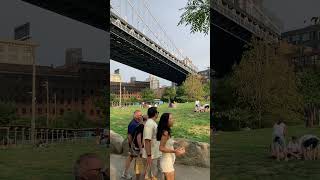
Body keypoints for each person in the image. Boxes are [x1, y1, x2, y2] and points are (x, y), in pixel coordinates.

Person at [157, 113, 185, 180]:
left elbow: (167, 143)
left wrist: (177, 145)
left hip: (169, 159)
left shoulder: (167, 131)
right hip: (166, 161)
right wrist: (175, 151)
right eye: (171, 119)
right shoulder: (165, 133)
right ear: (166, 121)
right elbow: (161, 148)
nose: (173, 120)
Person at [121, 110, 143, 179]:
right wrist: (131, 145)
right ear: (135, 115)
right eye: (139, 115)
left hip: (135, 145)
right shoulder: (133, 124)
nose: (141, 116)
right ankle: (126, 173)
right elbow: (129, 135)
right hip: (134, 146)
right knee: (134, 158)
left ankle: (125, 173)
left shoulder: (137, 122)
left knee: (131, 157)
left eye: (141, 115)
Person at [142, 107, 162, 180]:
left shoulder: (152, 123)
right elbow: (147, 140)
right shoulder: (150, 124)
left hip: (154, 152)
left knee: (151, 173)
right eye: (158, 113)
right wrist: (149, 155)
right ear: (155, 114)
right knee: (150, 173)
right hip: (151, 153)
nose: (158, 114)